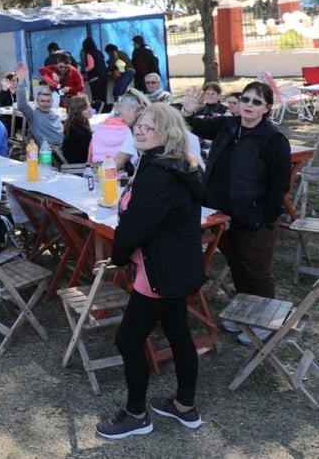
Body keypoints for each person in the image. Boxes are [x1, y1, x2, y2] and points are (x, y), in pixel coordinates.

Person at [96, 104, 205, 439]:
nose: (139, 130)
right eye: (138, 125)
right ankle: (184, 406)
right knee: (178, 332)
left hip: (158, 271)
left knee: (128, 339)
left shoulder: (159, 173)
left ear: (168, 132)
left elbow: (135, 228)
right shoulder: (172, 165)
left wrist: (118, 257)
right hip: (172, 266)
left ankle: (136, 415)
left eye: (149, 127)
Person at [181, 82, 291, 344]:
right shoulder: (228, 125)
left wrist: (263, 217)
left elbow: (280, 186)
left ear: (266, 108)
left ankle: (264, 322)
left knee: (257, 270)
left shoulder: (273, 140)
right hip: (223, 215)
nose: (249, 105)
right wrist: (186, 112)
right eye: (245, 99)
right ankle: (246, 314)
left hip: (253, 217)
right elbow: (192, 125)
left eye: (256, 102)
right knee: (236, 265)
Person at [88, 89, 149, 169]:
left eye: (120, 114)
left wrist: (101, 173)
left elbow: (120, 160)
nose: (120, 118)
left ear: (130, 109)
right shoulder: (144, 121)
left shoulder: (139, 127)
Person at [15, 65, 64, 147]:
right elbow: (22, 105)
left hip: (63, 147)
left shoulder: (57, 113)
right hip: (48, 151)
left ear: (52, 102)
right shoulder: (33, 114)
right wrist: (21, 82)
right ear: (37, 102)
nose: (45, 104)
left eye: (48, 101)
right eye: (42, 101)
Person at [61, 94, 92, 164]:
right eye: (86, 108)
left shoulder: (73, 124)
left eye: (89, 106)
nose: (90, 109)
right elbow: (90, 150)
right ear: (77, 111)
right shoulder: (78, 129)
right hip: (79, 165)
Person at [81, 37, 108, 106]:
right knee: (103, 96)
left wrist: (83, 71)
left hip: (95, 78)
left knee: (97, 97)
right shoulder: (98, 52)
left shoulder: (89, 53)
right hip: (104, 76)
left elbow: (91, 66)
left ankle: (99, 111)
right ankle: (105, 110)